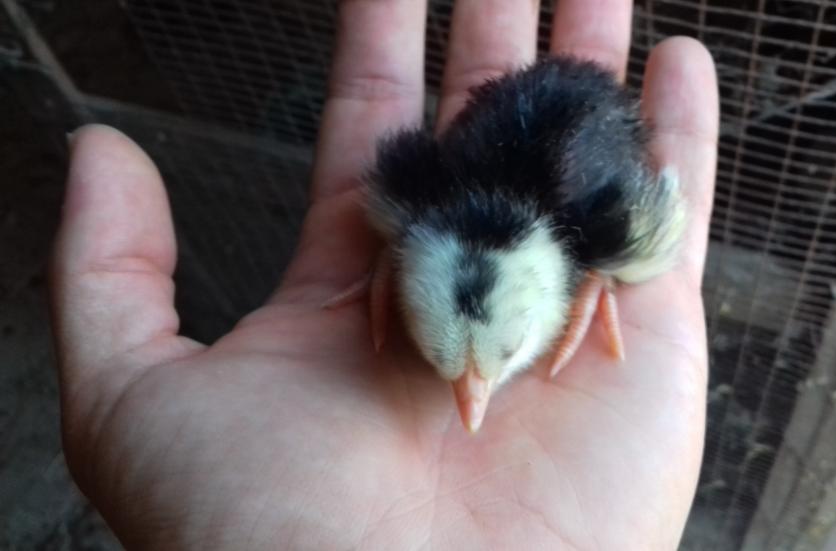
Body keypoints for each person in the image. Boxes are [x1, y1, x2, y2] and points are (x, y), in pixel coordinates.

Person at [49, 1, 718, 549]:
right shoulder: (411, 211)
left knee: (619, 250)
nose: (470, 401)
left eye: (497, 354)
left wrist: (596, 275)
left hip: (571, 134)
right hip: (523, 160)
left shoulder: (603, 227)